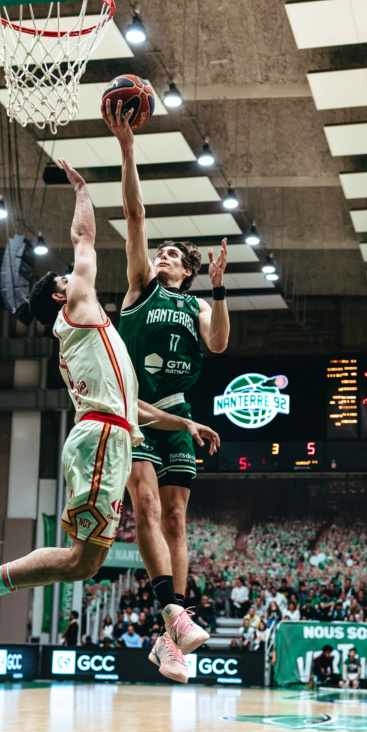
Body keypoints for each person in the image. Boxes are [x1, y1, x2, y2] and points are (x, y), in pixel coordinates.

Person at [0, 158, 219, 688]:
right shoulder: (79, 306)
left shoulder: (95, 333)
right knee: (115, 535)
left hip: (110, 431)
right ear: (62, 294)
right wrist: (82, 190)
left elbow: (135, 405)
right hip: (104, 438)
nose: (74, 273)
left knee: (82, 563)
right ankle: (172, 617)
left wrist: (182, 423)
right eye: (65, 277)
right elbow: (85, 237)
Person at [102, 98, 229, 678]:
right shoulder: (140, 287)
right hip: (136, 411)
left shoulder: (198, 304)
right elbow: (135, 215)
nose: (162, 254)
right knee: (147, 506)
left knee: (177, 520)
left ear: (189, 271)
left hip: (179, 412)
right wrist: (128, 148)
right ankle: (172, 617)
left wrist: (220, 291)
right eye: (162, 251)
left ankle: (168, 637)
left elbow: (219, 344)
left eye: (173, 254)